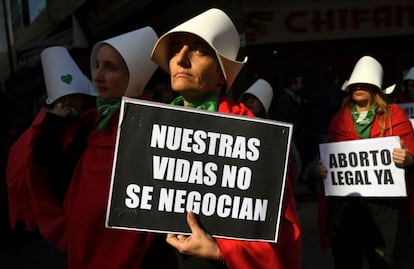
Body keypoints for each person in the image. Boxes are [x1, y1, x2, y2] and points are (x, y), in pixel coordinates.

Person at [151, 8, 302, 269]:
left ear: (223, 74)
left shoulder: (253, 136)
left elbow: (276, 227)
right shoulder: (148, 129)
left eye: (198, 50)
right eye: (176, 49)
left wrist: (221, 252)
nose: (181, 59)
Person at [63, 26, 176, 268]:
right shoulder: (90, 123)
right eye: (98, 65)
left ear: (132, 76)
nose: (97, 76)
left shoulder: (158, 128)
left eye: (110, 67)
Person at [315, 55, 414, 269]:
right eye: (355, 84)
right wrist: (322, 170)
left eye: (365, 84)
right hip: (346, 209)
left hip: (385, 209)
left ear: (376, 89)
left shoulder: (395, 116)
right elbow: (330, 158)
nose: (358, 87)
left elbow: (412, 156)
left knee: (384, 263)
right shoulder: (338, 120)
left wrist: (408, 159)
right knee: (347, 261)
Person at [6, 45, 97, 252]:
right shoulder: (46, 127)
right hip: (68, 208)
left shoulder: (92, 120)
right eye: (63, 99)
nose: (70, 103)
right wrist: (53, 123)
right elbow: (43, 159)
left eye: (75, 96)